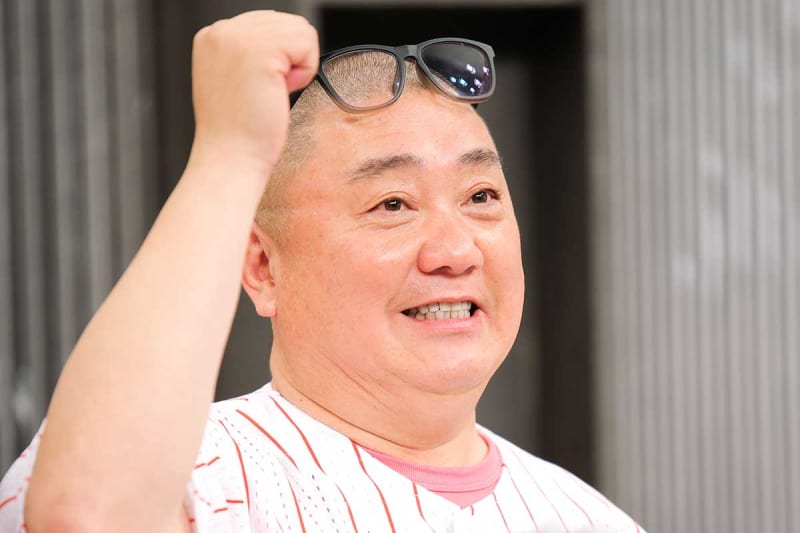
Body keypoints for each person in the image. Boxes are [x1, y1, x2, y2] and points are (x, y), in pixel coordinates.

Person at [0, 10, 642, 533]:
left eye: (480, 197)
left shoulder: (589, 518)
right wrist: (230, 152)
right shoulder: (203, 477)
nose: (455, 250)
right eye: (392, 204)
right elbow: (85, 515)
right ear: (263, 268)